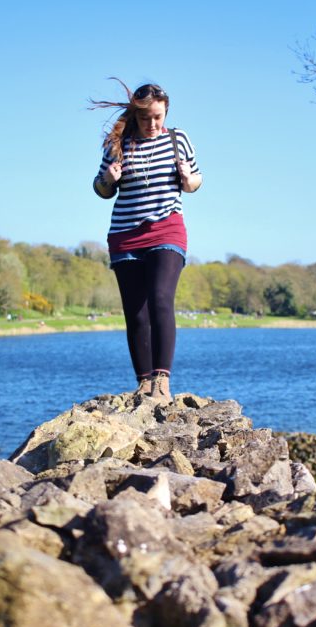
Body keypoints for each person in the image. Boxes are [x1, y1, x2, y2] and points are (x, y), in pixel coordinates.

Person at [90, 79, 202, 403]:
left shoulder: (178, 140)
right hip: (125, 235)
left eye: (158, 117)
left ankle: (163, 381)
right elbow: (101, 189)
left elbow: (196, 180)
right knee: (135, 312)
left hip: (167, 229)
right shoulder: (118, 145)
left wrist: (188, 179)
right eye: (145, 118)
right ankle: (143, 382)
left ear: (165, 112)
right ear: (135, 115)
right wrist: (108, 179)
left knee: (160, 298)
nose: (152, 124)